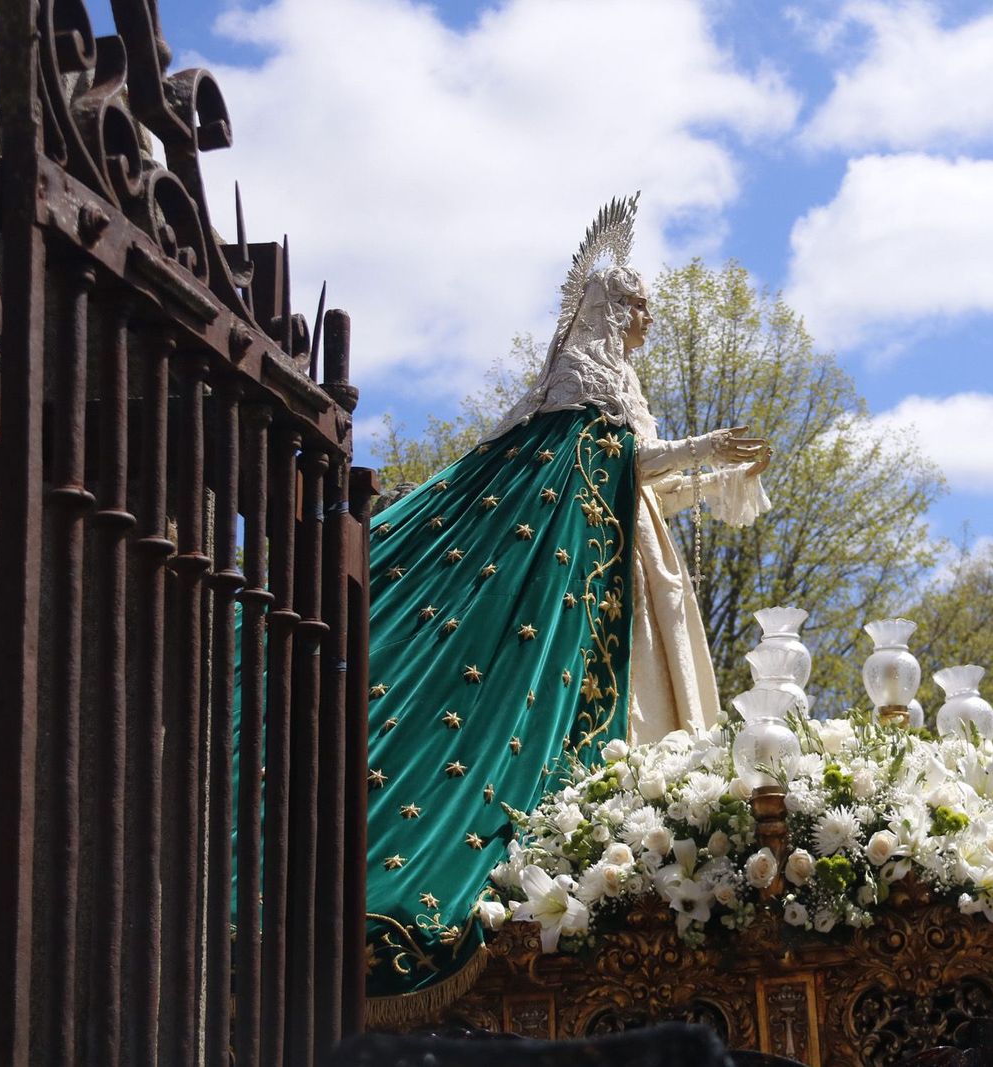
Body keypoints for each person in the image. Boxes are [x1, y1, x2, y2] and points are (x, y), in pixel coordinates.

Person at [362, 197, 770, 1022]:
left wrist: (713, 472)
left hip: (636, 558)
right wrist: (704, 449)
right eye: (635, 305)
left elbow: (636, 485)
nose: (644, 319)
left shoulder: (621, 384)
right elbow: (616, 463)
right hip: (592, 576)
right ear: (605, 307)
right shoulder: (579, 379)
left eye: (645, 307)